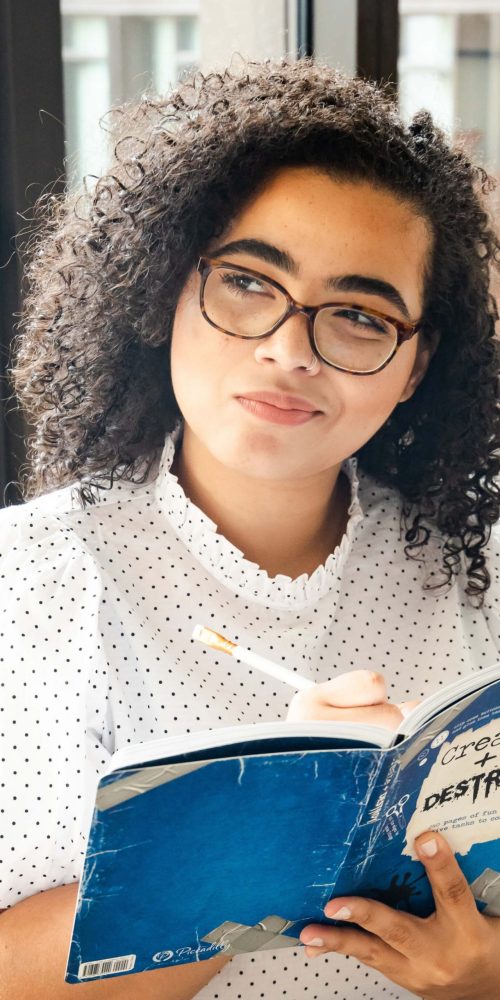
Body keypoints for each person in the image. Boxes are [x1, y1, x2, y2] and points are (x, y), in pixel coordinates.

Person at [1, 55, 500, 1000]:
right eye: (246, 282)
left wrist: (483, 974)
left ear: (417, 364)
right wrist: (277, 821)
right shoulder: (26, 581)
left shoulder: (479, 579)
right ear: (162, 288)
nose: (287, 349)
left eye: (359, 316)